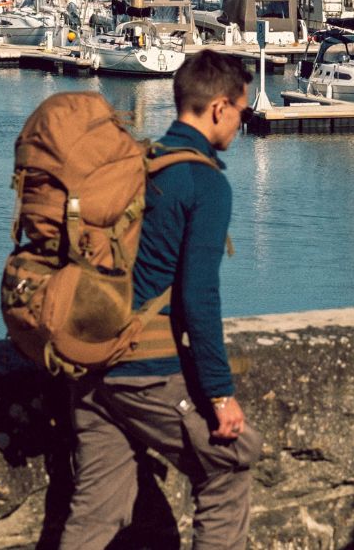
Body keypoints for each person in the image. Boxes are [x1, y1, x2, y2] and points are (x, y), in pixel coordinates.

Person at [60, 49, 262, 550]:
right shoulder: (204, 181)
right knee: (230, 465)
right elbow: (198, 295)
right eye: (242, 110)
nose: (242, 123)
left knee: (96, 510)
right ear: (219, 108)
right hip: (143, 368)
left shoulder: (139, 163)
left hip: (89, 363)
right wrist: (218, 395)